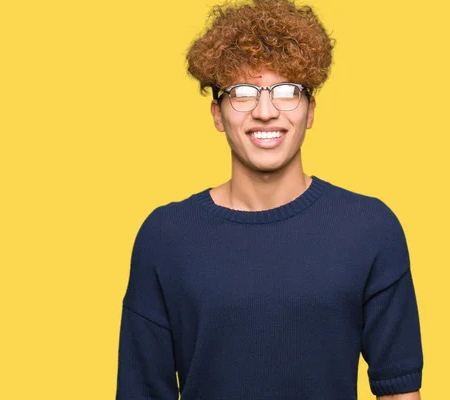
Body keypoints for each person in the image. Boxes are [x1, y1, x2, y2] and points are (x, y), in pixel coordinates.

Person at [115, 0, 424, 398]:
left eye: (286, 91)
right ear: (217, 113)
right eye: (243, 92)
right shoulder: (165, 237)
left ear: (310, 110)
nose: (265, 111)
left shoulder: (370, 229)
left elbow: (399, 391)